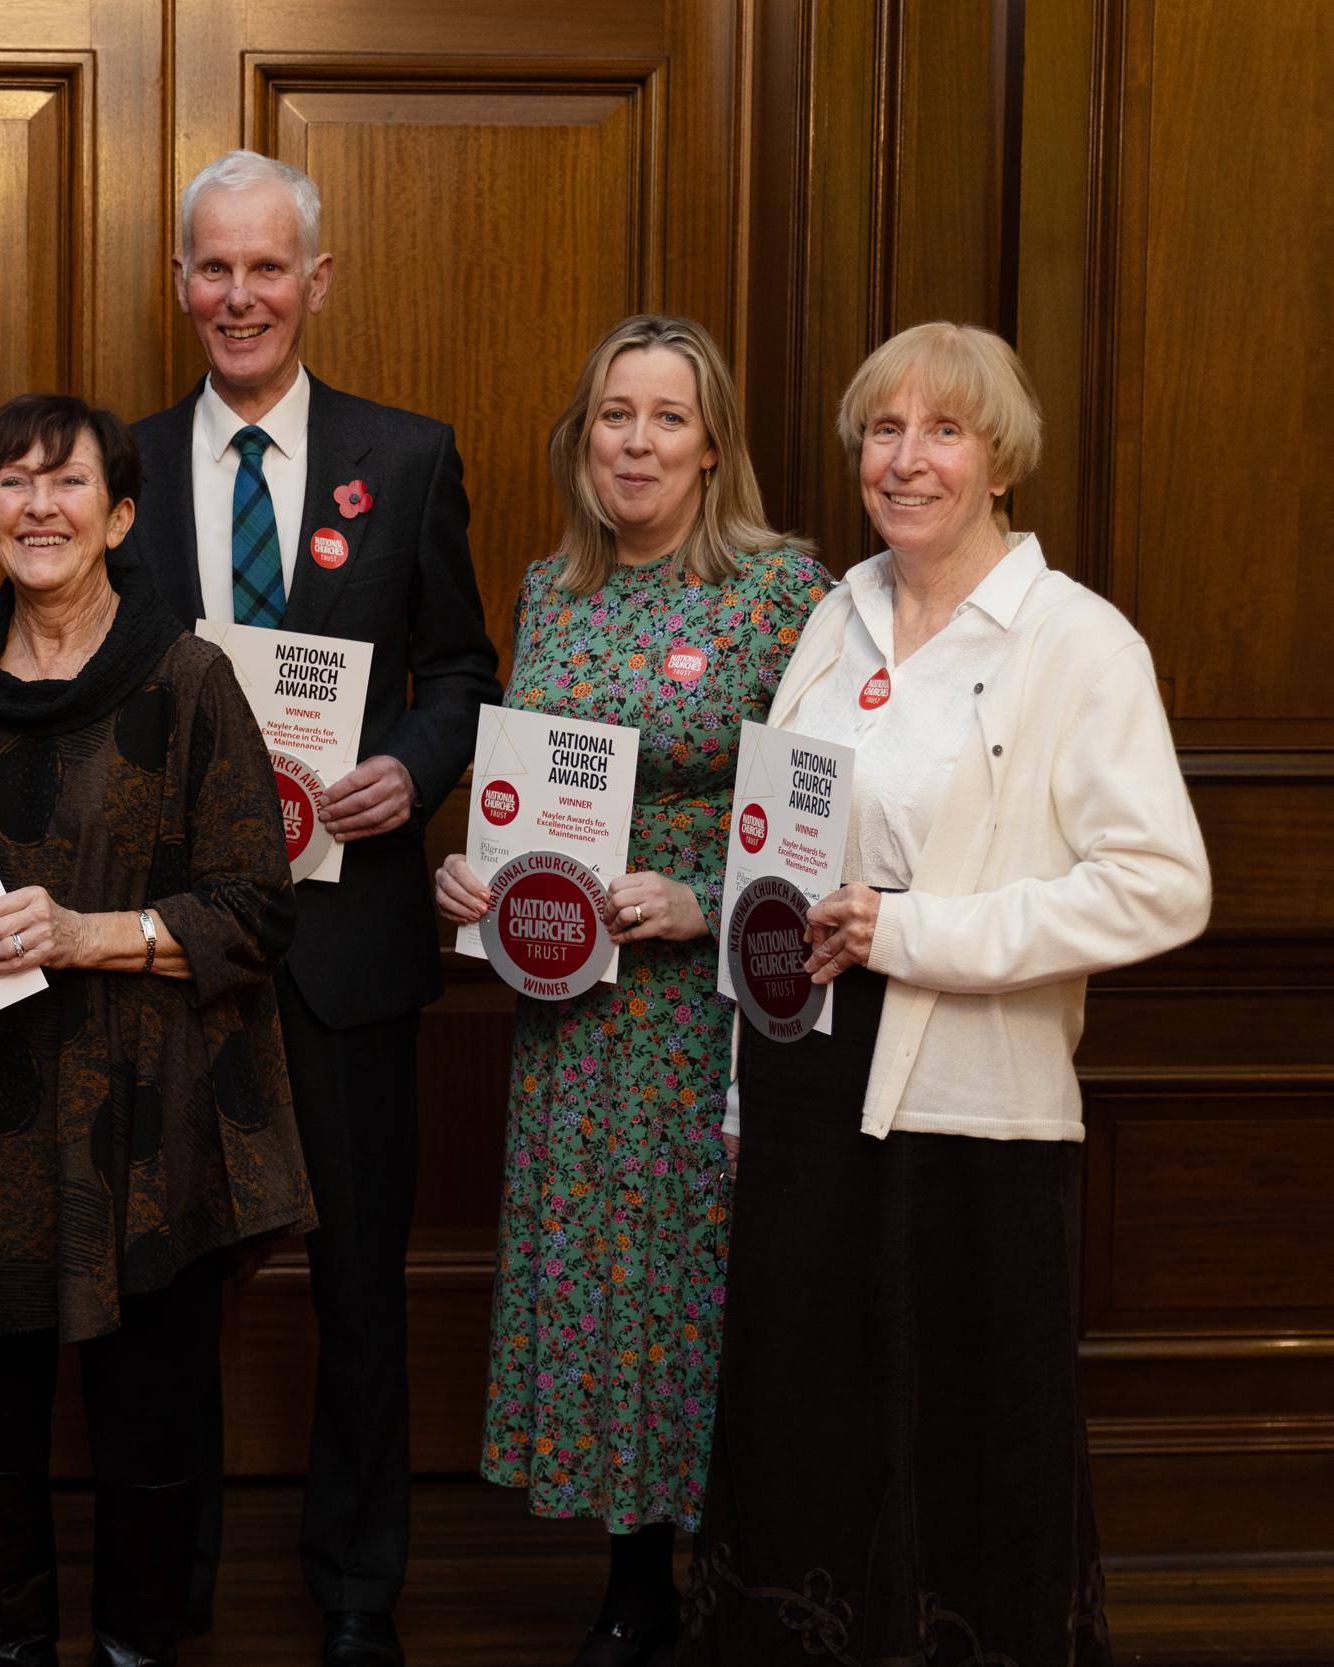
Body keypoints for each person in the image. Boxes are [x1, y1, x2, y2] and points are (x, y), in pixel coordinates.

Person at [677, 323, 1210, 1665]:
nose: (905, 461)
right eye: (883, 431)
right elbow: (772, 861)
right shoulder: (831, 612)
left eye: (943, 432)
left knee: (969, 1436)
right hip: (804, 1086)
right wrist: (744, 1079)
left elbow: (1162, 884)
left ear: (1000, 458)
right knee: (803, 1422)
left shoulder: (1076, 641)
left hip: (968, 1103)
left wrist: (921, 931)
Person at [0, 394, 315, 1667]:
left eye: (68, 482)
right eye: (13, 484)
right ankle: (11, 1651)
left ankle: (137, 1652)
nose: (40, 505)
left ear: (120, 512)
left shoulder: (190, 679)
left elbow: (258, 912)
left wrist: (94, 931)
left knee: (146, 1433)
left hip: (148, 1124)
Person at [120, 149, 501, 1667]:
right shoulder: (124, 466)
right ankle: (171, 1586)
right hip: (180, 952)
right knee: (174, 1298)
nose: (238, 296)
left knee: (358, 1288)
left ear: (316, 281)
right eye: (212, 268)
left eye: (266, 268)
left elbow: (464, 668)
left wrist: (412, 770)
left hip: (352, 944)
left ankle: (358, 1587)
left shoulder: (403, 459)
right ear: (181, 283)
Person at [429, 316, 827, 1666]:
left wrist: (706, 897)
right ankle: (632, 1576)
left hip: (719, 1009)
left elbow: (832, 807)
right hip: (577, 1017)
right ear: (583, 437)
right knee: (604, 1288)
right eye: (615, 414)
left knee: (709, 1291)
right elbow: (532, 788)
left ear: (713, 444)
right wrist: (478, 879)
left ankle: (746, 1578)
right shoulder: (557, 587)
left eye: (666, 416)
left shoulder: (785, 590)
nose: (637, 441)